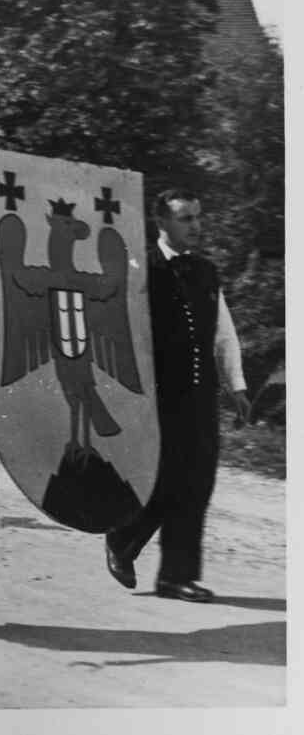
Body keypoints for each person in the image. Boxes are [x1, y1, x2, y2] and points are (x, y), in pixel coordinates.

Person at [104, 188, 249, 603]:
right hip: (156, 397)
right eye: (185, 218)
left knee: (198, 482)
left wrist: (237, 386)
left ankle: (176, 577)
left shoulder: (206, 271)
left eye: (198, 217)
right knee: (166, 479)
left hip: (202, 396)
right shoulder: (140, 270)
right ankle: (122, 538)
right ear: (161, 223)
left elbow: (223, 333)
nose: (196, 226)